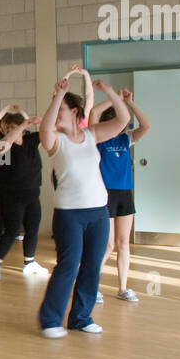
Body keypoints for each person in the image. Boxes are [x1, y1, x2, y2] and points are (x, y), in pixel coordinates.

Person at [36, 69, 130, 338]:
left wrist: (109, 92)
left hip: (98, 213)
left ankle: (80, 317)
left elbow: (123, 120)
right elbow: (45, 126)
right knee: (68, 265)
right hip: (69, 215)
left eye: (62, 110)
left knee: (91, 266)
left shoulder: (92, 135)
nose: (56, 115)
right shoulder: (56, 142)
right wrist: (59, 95)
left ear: (76, 112)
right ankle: (51, 320)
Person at [92, 89, 152, 301]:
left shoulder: (127, 139)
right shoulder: (98, 139)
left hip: (125, 194)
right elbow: (93, 114)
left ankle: (123, 288)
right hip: (105, 195)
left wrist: (130, 102)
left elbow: (146, 126)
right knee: (107, 244)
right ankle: (91, 285)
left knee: (123, 242)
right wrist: (113, 99)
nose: (121, 127)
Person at [0, 105, 48, 280]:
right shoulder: (3, 144)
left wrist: (27, 117)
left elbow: (45, 130)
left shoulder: (31, 140)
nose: (9, 130)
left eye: (14, 127)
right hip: (10, 195)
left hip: (32, 193)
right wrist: (20, 123)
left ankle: (29, 262)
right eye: (8, 127)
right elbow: (2, 142)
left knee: (32, 228)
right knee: (12, 230)